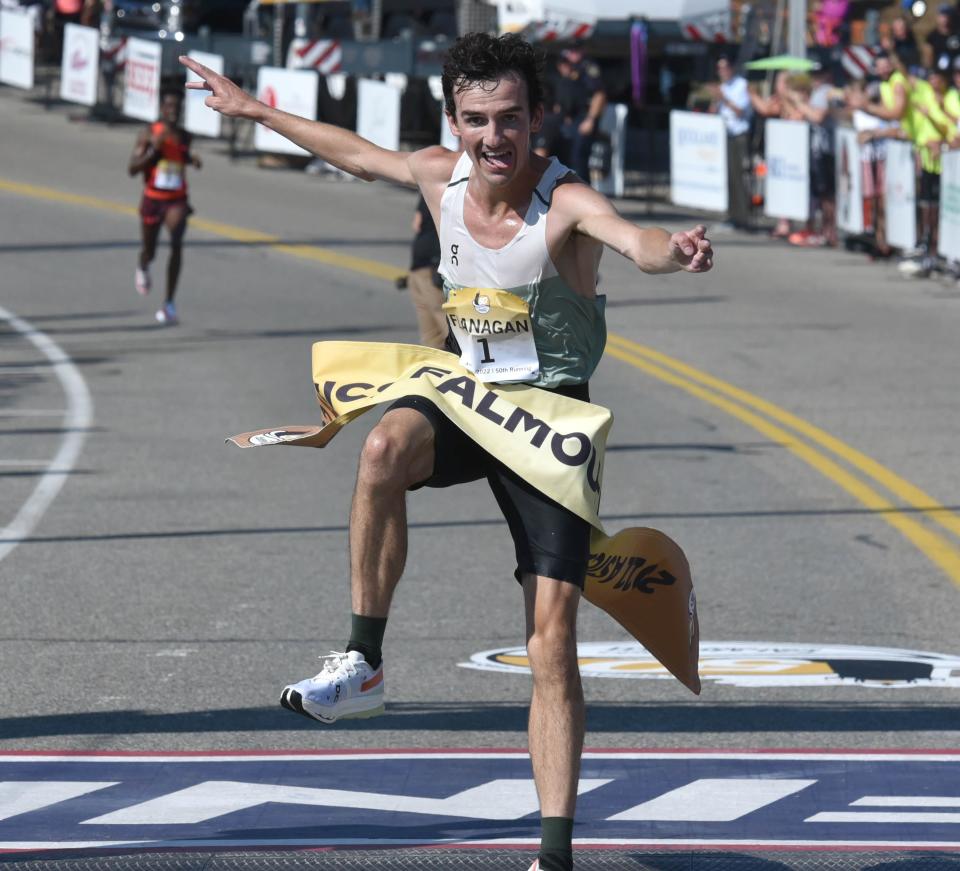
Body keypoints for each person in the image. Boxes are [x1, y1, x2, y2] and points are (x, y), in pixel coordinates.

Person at [181, 32, 712, 871]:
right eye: (476, 120)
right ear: (455, 122)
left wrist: (672, 255)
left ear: (538, 118)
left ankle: (554, 853)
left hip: (548, 424)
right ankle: (363, 662)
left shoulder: (564, 201)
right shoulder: (441, 173)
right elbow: (357, 155)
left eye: (510, 118)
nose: (493, 137)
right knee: (384, 442)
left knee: (550, 640)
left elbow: (633, 240)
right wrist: (253, 110)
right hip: (470, 399)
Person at [127, 88, 201, 325]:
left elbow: (182, 155)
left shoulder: (185, 135)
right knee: (150, 250)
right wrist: (152, 151)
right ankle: (143, 263)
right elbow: (132, 169)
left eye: (177, 108)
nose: (173, 112)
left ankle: (169, 302)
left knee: (177, 244)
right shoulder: (149, 133)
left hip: (176, 199)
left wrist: (193, 160)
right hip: (153, 198)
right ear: (161, 108)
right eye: (169, 107)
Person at [537, 46, 607, 182]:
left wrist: (590, 120)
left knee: (578, 160)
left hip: (581, 122)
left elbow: (600, 95)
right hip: (564, 124)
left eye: (567, 63)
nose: (564, 67)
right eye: (562, 64)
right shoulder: (561, 80)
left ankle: (583, 193)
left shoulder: (584, 75)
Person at [711, 55, 753, 230]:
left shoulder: (741, 85)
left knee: (739, 176)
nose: (722, 72)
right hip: (726, 135)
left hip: (739, 135)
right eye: (719, 69)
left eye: (724, 68)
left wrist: (724, 98)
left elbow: (740, 111)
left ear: (731, 68)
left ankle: (743, 217)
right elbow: (714, 111)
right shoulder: (723, 87)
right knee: (729, 177)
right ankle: (732, 215)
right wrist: (716, 98)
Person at [404, 195, 447, 348]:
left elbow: (417, 223)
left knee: (434, 337)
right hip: (431, 268)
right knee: (447, 332)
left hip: (425, 266)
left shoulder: (431, 186)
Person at [923, 4, 960, 73]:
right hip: (939, 74)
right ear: (937, 17)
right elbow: (928, 59)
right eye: (942, 16)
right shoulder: (932, 37)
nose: (945, 19)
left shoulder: (957, 33)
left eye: (947, 15)